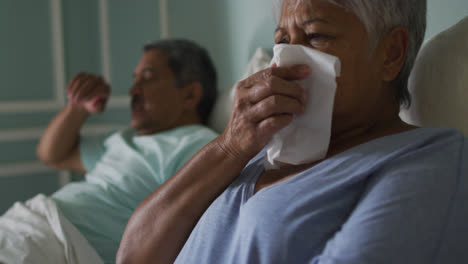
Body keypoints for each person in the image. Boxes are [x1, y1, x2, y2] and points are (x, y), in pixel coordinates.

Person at [117, 1, 468, 264]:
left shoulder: (428, 160)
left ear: (391, 54)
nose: (285, 61)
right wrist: (228, 147)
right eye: (281, 42)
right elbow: (133, 256)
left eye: (315, 36)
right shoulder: (255, 149)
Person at [0, 39, 218, 264]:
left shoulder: (198, 144)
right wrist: (78, 108)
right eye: (134, 80)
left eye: (148, 77)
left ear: (190, 95)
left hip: (61, 243)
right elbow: (52, 155)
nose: (133, 90)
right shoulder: (123, 139)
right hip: (27, 222)